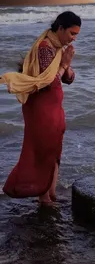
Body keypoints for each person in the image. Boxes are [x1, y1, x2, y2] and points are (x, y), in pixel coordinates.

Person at [1, 11, 81, 206]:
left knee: (54, 148)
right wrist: (64, 64)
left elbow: (67, 79)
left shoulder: (58, 47)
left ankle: (50, 192)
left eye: (76, 34)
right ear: (60, 28)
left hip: (54, 106)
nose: (74, 38)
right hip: (41, 108)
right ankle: (43, 196)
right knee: (44, 149)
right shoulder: (45, 48)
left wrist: (67, 66)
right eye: (71, 33)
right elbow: (47, 82)